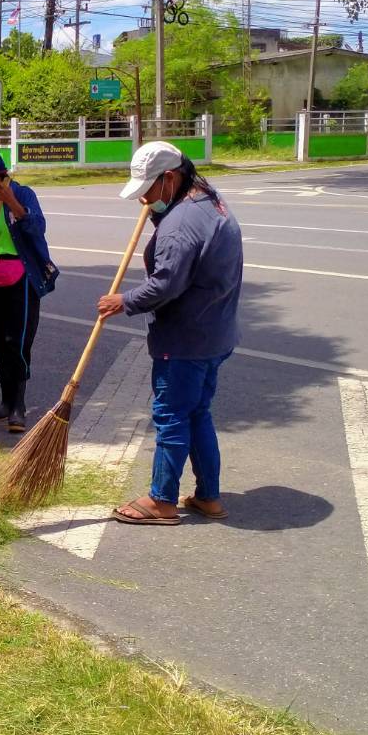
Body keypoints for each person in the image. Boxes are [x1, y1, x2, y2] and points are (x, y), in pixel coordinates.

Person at [97, 140, 243, 526]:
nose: (143, 198)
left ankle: (162, 501)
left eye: (148, 188)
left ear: (170, 178)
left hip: (185, 338)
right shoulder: (208, 201)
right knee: (198, 412)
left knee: (172, 415)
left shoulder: (180, 224)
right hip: (215, 332)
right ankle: (208, 496)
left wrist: (122, 301)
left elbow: (165, 285)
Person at [0, 148, 58, 434]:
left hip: (23, 279)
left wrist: (14, 205)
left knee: (18, 343)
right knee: (0, 341)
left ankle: (19, 406)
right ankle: (5, 402)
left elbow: (38, 229)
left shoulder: (24, 194)